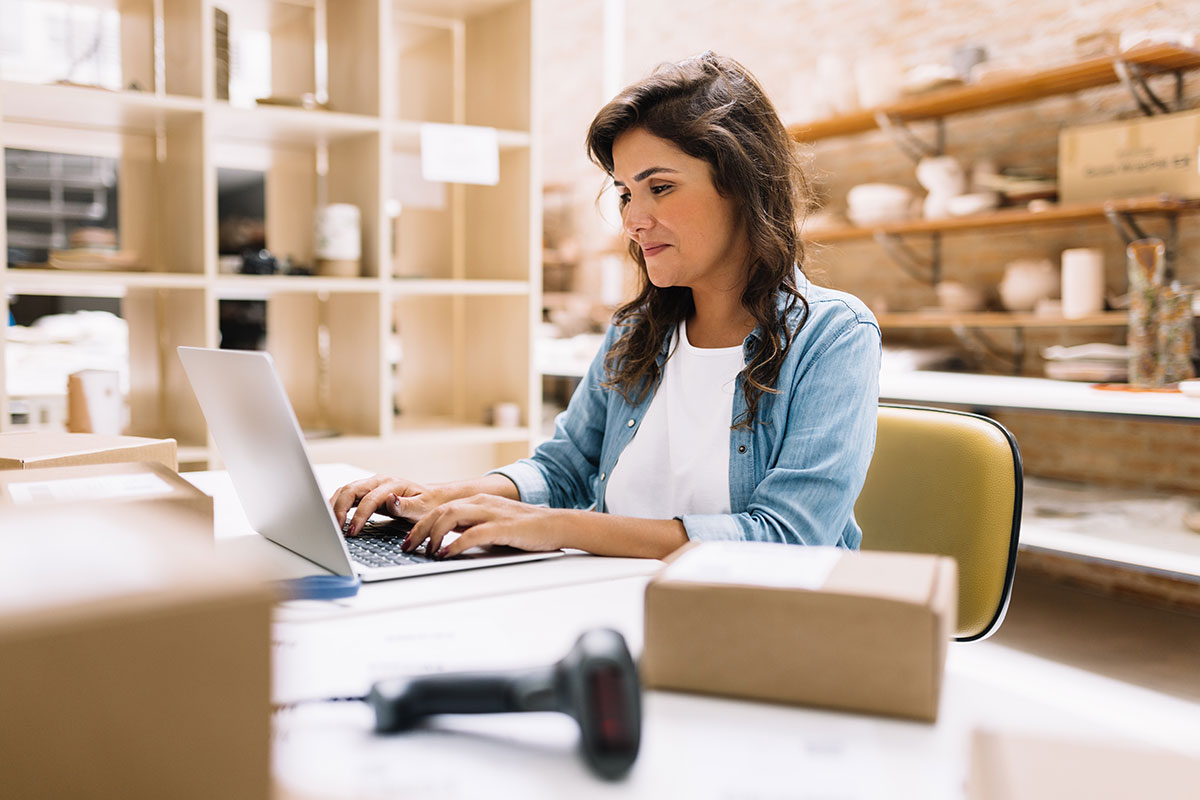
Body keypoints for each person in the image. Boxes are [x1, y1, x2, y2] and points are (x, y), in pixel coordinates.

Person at [330, 52, 880, 560]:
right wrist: (433, 497)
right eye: (624, 194)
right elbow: (565, 467)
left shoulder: (834, 335)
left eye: (659, 187)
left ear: (741, 184)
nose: (633, 220)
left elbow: (787, 537)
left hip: (755, 630)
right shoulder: (639, 330)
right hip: (617, 604)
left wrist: (553, 526)